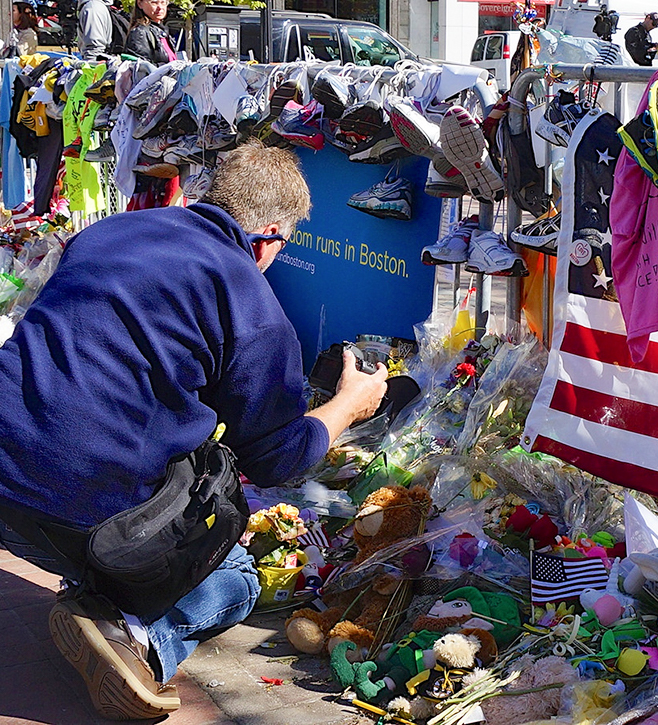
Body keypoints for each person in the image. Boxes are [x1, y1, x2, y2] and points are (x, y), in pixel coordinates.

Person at [0, 140, 389, 719]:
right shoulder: (252, 304)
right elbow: (278, 460)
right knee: (235, 571)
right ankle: (135, 637)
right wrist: (348, 405)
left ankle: (95, 590)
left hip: (7, 488)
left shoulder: (109, 233)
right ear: (271, 237)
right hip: (92, 518)